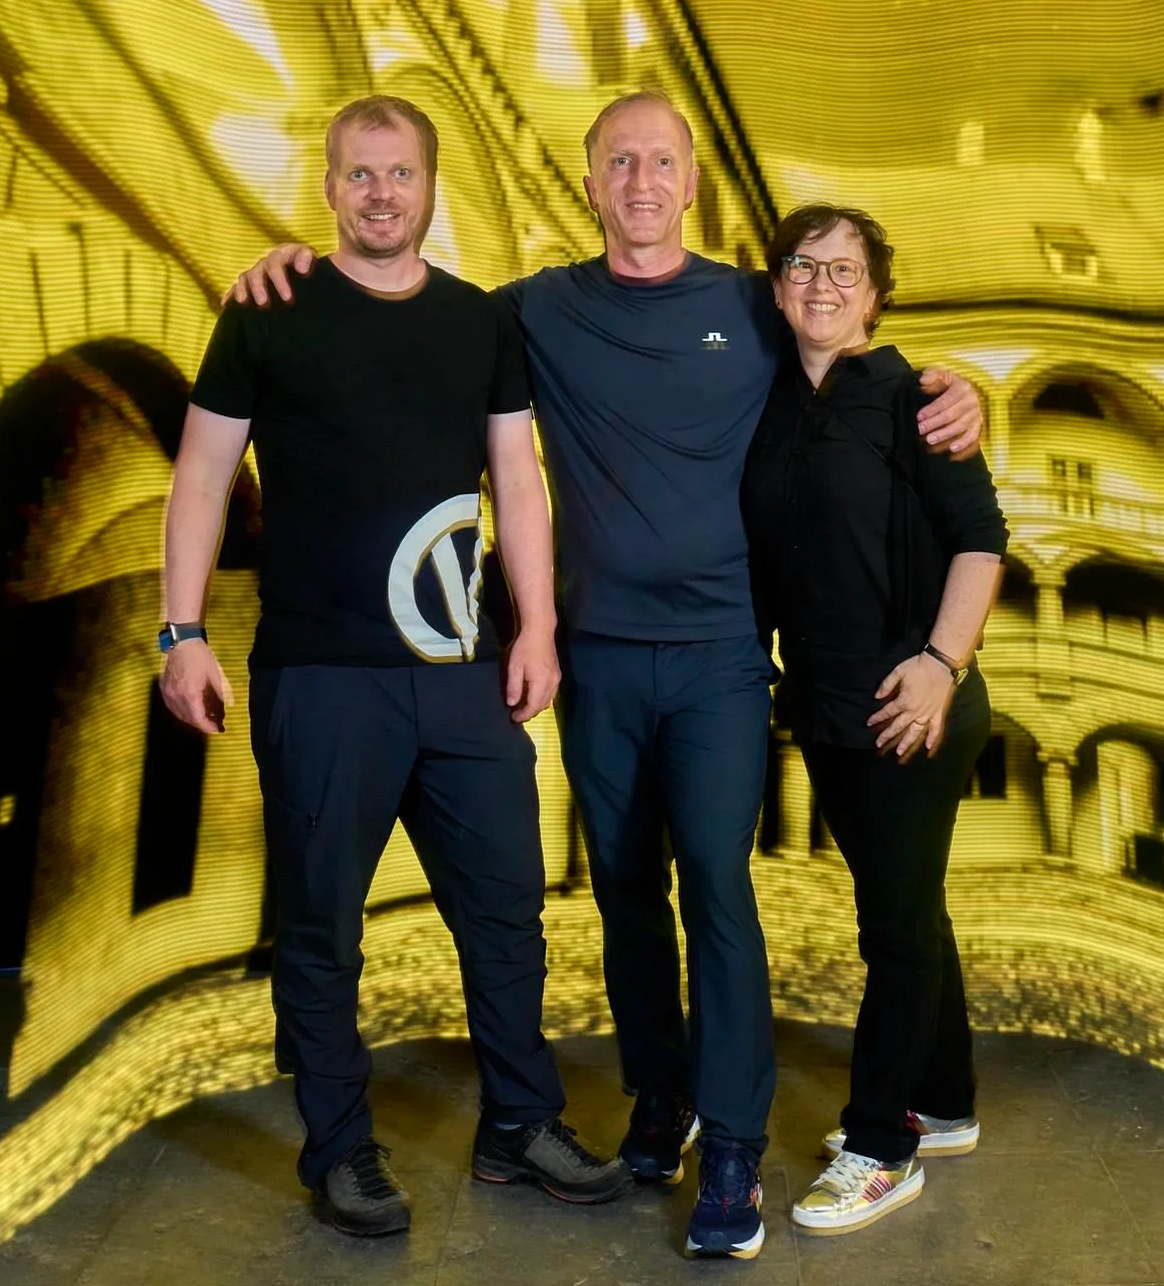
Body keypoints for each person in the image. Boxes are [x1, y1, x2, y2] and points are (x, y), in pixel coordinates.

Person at [226, 89, 985, 1258]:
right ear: (590, 184)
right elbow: (401, 299)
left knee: (715, 891)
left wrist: (955, 386)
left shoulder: (753, 300)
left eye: (661, 161)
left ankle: (731, 1148)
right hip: (596, 658)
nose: (640, 179)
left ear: (691, 184)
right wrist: (293, 266)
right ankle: (661, 1099)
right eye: (618, 160)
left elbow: (856, 346)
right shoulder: (531, 310)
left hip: (723, 661)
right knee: (625, 894)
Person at [161, 95, 632, 1238]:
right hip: (322, 675)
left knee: (507, 911)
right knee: (323, 924)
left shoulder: (479, 323)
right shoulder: (268, 311)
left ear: (431, 187)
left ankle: (519, 1124)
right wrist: (179, 632)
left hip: (462, 674)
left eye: (401, 173)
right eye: (360, 174)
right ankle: (339, 1152)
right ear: (330, 187)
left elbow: (517, 481)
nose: (381, 193)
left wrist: (534, 626)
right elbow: (202, 477)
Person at [742, 205, 1004, 1236]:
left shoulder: (918, 399)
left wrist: (941, 664)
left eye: (843, 270)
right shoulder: (761, 404)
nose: (820, 284)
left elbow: (979, 541)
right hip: (824, 705)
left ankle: (881, 1146)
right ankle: (942, 1102)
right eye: (802, 266)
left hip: (914, 709)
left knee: (890, 929)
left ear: (876, 295)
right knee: (907, 907)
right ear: (775, 288)